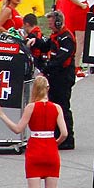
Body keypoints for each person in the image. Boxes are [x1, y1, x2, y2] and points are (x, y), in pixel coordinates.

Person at [0, 76, 64, 188]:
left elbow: (18, 129)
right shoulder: (56, 108)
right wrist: (54, 144)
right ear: (47, 89)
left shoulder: (30, 108)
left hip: (35, 148)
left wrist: (2, 115)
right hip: (50, 147)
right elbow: (64, 133)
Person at [32, 11, 79, 150]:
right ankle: (57, 135)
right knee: (54, 107)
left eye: (51, 22)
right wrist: (34, 40)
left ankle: (68, 139)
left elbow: (60, 60)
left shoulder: (67, 38)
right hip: (54, 78)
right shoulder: (55, 36)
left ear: (58, 22)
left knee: (63, 107)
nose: (49, 24)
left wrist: (44, 71)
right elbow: (45, 45)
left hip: (63, 78)